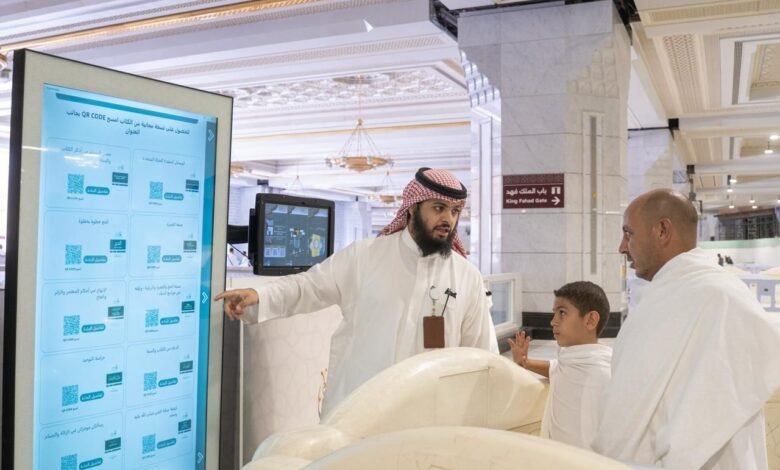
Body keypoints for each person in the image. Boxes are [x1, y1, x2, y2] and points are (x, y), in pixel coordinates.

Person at [216, 167, 498, 414]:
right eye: (438, 208)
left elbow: (482, 353)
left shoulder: (468, 278)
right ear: (413, 208)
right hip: (357, 410)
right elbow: (309, 286)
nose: (448, 219)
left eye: (455, 211)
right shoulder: (365, 256)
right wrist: (260, 296)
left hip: (428, 417)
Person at [591, 189, 780, 469]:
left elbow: (709, 413)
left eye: (628, 234)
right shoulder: (671, 294)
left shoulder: (721, 297)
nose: (621, 247)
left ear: (662, 230)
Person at [508, 281, 612, 449]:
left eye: (562, 313)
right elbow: (555, 367)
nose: (553, 322)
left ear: (590, 320)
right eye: (554, 313)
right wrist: (525, 362)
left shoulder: (603, 374)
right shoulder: (571, 360)